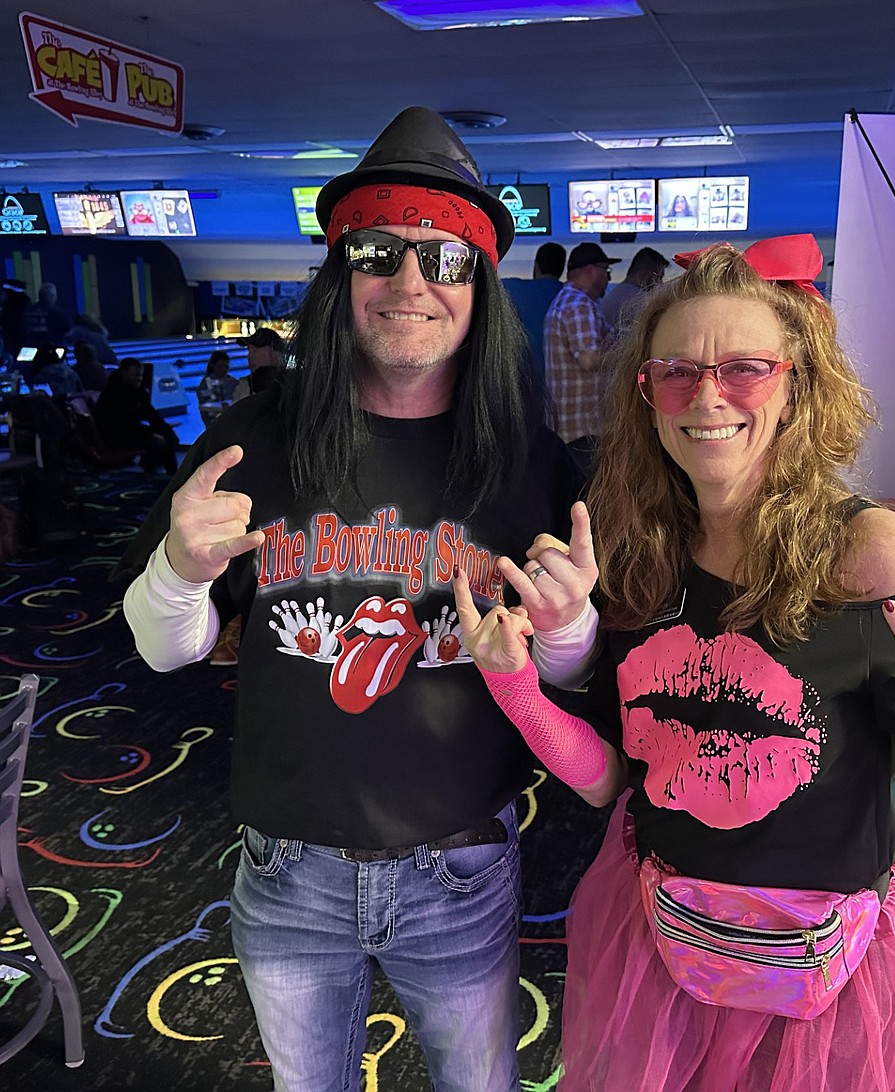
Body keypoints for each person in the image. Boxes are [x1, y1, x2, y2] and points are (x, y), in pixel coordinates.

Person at [454, 236, 895, 1091]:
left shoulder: (868, 553)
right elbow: (609, 779)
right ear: (647, 396)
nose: (707, 397)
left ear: (796, 384)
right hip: (660, 948)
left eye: (744, 369)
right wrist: (518, 686)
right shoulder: (632, 553)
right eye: (676, 373)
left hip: (828, 983)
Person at [114, 105, 599, 1092]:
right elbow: (165, 650)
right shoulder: (253, 436)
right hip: (285, 868)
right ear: (340, 276)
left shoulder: (526, 462)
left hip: (458, 867)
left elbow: (569, 674)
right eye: (378, 251)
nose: (410, 283)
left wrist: (569, 628)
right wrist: (179, 570)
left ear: (481, 285)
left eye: (445, 258)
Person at [543, 241, 621, 471]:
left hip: (569, 428)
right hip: (585, 430)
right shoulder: (579, 305)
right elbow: (588, 359)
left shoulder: (566, 301)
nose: (608, 278)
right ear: (591, 270)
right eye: (606, 271)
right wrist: (629, 356)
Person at [95, 357, 179, 474]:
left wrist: (166, 429)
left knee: (167, 435)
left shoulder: (136, 389)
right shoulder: (113, 393)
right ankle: (158, 472)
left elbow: (151, 414)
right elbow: (121, 425)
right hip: (115, 434)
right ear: (123, 373)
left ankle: (169, 472)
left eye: (140, 375)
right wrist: (150, 433)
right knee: (157, 441)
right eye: (135, 375)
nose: (139, 379)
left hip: (130, 431)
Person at [501, 241, 566, 383]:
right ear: (562, 268)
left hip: (527, 379)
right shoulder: (570, 295)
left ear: (536, 266)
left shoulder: (515, 289)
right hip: (559, 382)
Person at [599, 246, 669, 335]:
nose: (659, 284)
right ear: (643, 275)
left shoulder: (616, 293)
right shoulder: (641, 300)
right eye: (658, 277)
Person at [231, 326, 285, 402]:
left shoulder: (291, 386)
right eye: (249, 350)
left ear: (275, 354)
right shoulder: (244, 386)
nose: (250, 356)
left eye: (256, 350)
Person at [22, 282, 71, 349]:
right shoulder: (57, 312)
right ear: (52, 296)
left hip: (31, 348)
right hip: (52, 348)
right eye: (54, 295)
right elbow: (66, 330)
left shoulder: (29, 311)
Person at [197, 349, 238, 425]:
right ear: (212, 365)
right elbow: (205, 406)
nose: (224, 370)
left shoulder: (233, 381)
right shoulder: (206, 383)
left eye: (226, 366)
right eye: (220, 367)